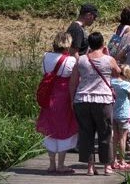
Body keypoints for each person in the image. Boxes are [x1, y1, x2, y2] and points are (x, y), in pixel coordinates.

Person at [69, 32, 121, 176]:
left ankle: (90, 168)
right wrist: (107, 54)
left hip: (82, 99)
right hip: (103, 100)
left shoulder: (80, 60)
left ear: (89, 44)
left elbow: (73, 82)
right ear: (103, 44)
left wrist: (71, 99)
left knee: (86, 134)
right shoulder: (109, 59)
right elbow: (118, 73)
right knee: (105, 133)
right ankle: (106, 166)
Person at [36, 32, 78, 174]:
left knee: (50, 130)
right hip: (64, 99)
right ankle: (61, 165)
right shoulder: (70, 61)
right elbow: (75, 79)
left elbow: (44, 72)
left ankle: (51, 164)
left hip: (48, 98)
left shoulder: (46, 57)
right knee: (64, 129)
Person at [111, 64, 130, 170]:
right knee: (122, 138)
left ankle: (113, 160)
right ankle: (122, 160)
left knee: (115, 137)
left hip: (113, 112)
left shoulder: (111, 81)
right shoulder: (126, 84)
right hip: (123, 113)